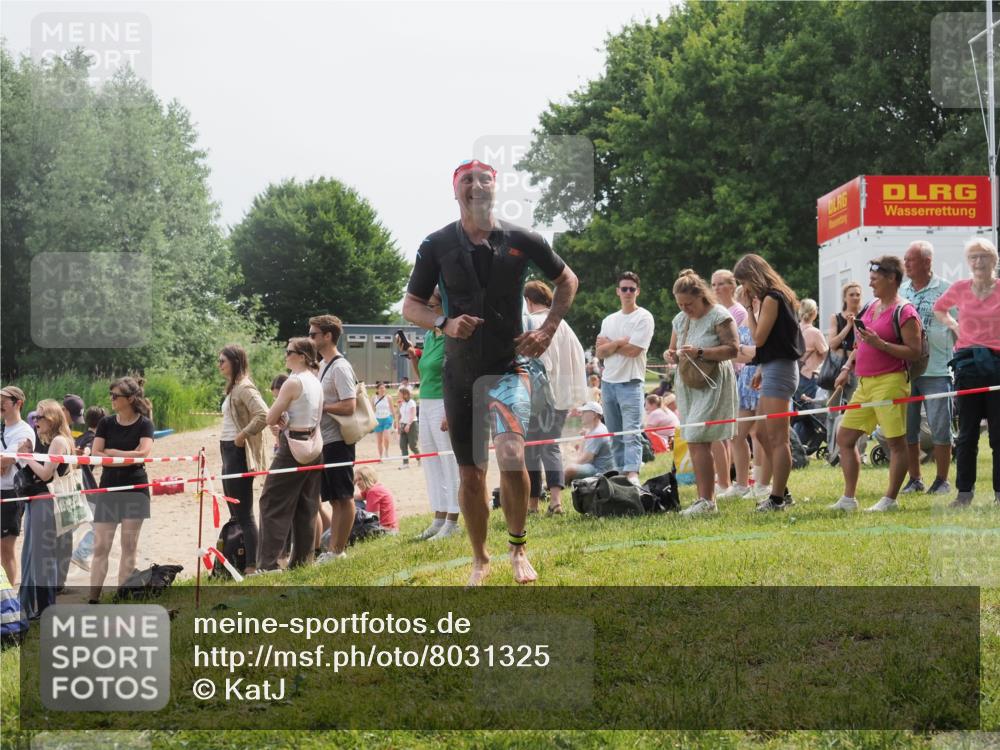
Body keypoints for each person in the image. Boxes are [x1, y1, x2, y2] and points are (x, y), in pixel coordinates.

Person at [402, 158, 578, 585]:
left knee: (513, 453)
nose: (476, 186)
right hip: (459, 373)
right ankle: (480, 558)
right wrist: (444, 323)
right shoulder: (437, 244)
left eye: (485, 179)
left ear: (495, 189)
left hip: (508, 367)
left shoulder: (521, 238)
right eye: (467, 180)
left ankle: (518, 548)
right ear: (456, 190)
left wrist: (548, 330)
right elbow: (411, 305)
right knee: (471, 472)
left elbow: (567, 280)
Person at [832, 256, 923, 511]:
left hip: (891, 382)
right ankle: (848, 499)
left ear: (892, 278)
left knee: (895, 442)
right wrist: (847, 367)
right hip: (864, 383)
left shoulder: (904, 311)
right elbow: (860, 342)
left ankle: (890, 500)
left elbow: (914, 351)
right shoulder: (871, 306)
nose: (870, 285)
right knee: (845, 437)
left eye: (874, 280)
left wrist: (881, 345)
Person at [665, 269, 739, 516]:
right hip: (688, 382)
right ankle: (704, 499)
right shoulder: (680, 319)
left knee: (698, 435)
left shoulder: (719, 315)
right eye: (680, 304)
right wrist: (671, 355)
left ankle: (707, 500)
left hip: (712, 381)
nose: (685, 308)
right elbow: (673, 350)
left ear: (701, 296)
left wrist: (700, 352)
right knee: (693, 438)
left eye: (689, 304)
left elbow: (732, 349)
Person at [734, 254, 805, 512]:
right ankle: (781, 489)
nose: (744, 288)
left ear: (752, 277)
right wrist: (762, 368)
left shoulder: (772, 298)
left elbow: (759, 338)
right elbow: (774, 341)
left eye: (743, 282)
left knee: (778, 438)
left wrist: (750, 310)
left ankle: (778, 498)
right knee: (761, 433)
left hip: (782, 371)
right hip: (773, 368)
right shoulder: (773, 298)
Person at [934, 237, 1000, 507]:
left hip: (997, 364)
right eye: (973, 257)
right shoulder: (960, 288)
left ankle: (999, 494)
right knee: (967, 433)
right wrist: (953, 324)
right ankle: (964, 493)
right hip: (968, 365)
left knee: (999, 435)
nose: (978, 261)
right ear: (967, 262)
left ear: (994, 259)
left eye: (983, 256)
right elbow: (939, 309)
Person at [255, 338, 324, 572]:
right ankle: (303, 561)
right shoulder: (315, 381)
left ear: (302, 356)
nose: (285, 355)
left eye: (289, 352)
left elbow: (270, 418)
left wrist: (281, 419)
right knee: (307, 505)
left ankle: (269, 563)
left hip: (292, 445)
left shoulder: (293, 382)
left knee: (271, 502)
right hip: (315, 444)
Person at [523, 279, 587, 515]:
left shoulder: (532, 322)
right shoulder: (563, 324)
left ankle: (532, 504)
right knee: (550, 446)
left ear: (528, 301)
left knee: (531, 449)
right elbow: (579, 356)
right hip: (560, 396)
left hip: (537, 396)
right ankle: (556, 501)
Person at [90, 377, 154, 602]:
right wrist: (128, 456)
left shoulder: (144, 423)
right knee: (100, 548)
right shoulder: (106, 423)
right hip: (108, 489)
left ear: (130, 399)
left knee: (128, 548)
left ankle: (122, 597)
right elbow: (95, 455)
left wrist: (113, 453)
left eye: (115, 396)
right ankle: (93, 599)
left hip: (135, 490)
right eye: (111, 395)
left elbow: (143, 454)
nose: (112, 399)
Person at [900, 240, 955, 496]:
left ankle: (942, 480)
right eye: (905, 259)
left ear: (926, 262)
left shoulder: (946, 290)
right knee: (908, 428)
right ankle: (915, 479)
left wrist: (959, 361)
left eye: (910, 259)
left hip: (938, 370)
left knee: (940, 427)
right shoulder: (902, 292)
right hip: (908, 371)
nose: (906, 264)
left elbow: (959, 328)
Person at [406, 290, 461, 540]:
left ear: (443, 307)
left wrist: (452, 409)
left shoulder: (452, 337)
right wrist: (412, 359)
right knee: (431, 462)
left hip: (443, 402)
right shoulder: (429, 336)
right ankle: (438, 518)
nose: (426, 312)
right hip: (425, 402)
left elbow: (456, 376)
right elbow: (424, 376)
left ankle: (453, 519)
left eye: (431, 306)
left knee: (449, 462)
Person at [17, 400, 75, 619]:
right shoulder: (49, 440)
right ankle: (33, 607)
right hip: (38, 502)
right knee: (32, 556)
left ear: (51, 419)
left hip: (47, 503)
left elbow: (45, 475)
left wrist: (27, 456)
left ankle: (45, 609)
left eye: (39, 417)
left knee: (42, 558)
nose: (35, 421)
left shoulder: (59, 441)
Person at [308, 315, 359, 563]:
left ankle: (339, 550)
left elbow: (350, 405)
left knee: (344, 496)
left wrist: (322, 408)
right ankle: (333, 550)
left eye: (313, 334)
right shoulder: (323, 365)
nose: (311, 338)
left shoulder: (340, 366)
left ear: (328, 336)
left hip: (339, 440)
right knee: (335, 499)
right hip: (325, 440)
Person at [596, 271, 655, 484]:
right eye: (624, 288)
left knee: (632, 432)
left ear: (637, 291)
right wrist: (620, 342)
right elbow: (600, 353)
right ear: (617, 292)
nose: (628, 292)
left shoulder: (644, 317)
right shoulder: (609, 320)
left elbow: (635, 351)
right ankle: (620, 472)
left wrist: (611, 345)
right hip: (608, 383)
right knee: (614, 433)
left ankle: (633, 473)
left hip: (631, 382)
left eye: (632, 289)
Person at [217, 344, 269, 576]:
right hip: (226, 449)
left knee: (244, 513)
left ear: (235, 362)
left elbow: (264, 414)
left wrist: (242, 435)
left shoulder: (245, 388)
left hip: (237, 451)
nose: (219, 365)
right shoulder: (233, 388)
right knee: (235, 512)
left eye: (222, 361)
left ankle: (251, 565)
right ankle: (239, 558)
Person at [710, 270, 749, 499]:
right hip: (721, 374)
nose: (716, 288)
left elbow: (739, 346)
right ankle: (725, 480)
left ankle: (738, 481)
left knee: (736, 432)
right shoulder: (716, 312)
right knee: (724, 431)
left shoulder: (738, 312)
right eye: (713, 284)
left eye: (721, 284)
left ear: (732, 286)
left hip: (736, 374)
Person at [0, 386, 34, 586]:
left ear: (18, 403)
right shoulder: (2, 428)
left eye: (4, 401)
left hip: (12, 492)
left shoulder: (25, 430)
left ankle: (7, 599)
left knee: (6, 548)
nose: (0, 405)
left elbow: (8, 461)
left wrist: (6, 461)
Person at [827, 281, 864, 457]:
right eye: (852, 294)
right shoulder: (837, 317)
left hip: (858, 368)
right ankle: (831, 453)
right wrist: (848, 326)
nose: (855, 297)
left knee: (856, 410)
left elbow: (864, 342)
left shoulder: (865, 315)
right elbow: (832, 344)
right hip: (837, 369)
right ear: (845, 297)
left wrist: (856, 324)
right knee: (833, 412)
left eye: (858, 294)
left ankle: (857, 451)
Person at [69, 405, 106, 572]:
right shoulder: (93, 439)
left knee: (70, 526)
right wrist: (85, 455)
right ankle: (82, 553)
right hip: (86, 487)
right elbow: (87, 452)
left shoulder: (80, 437)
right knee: (103, 524)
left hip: (73, 486)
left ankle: (58, 556)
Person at [564, 402, 615, 481]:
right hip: (594, 466)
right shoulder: (594, 429)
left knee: (569, 469)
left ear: (594, 414)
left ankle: (553, 486)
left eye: (584, 412)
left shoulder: (598, 432)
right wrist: (584, 438)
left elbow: (586, 459)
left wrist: (570, 465)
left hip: (599, 471)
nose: (581, 415)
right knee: (570, 465)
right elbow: (582, 455)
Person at [797, 298, 829, 401]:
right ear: (814, 312)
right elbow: (827, 356)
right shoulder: (815, 333)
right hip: (809, 376)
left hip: (795, 374)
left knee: (798, 410)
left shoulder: (795, 330)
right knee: (810, 410)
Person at [354, 465, 398, 532]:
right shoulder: (374, 487)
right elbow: (354, 497)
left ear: (368, 478)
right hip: (391, 528)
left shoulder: (373, 492)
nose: (357, 483)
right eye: (356, 480)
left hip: (387, 530)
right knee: (354, 502)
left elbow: (373, 520)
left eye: (360, 479)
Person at [396, 386, 419, 467]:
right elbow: (399, 415)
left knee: (412, 445)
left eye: (400, 394)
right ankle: (405, 463)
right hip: (403, 424)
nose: (398, 396)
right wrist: (398, 426)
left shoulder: (412, 402)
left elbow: (413, 414)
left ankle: (419, 458)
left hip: (412, 424)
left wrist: (408, 425)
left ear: (405, 394)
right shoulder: (401, 403)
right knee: (402, 445)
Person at [372, 382, 394, 460]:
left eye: (384, 387)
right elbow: (372, 410)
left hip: (387, 418)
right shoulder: (374, 398)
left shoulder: (388, 397)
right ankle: (380, 457)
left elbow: (392, 409)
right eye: (381, 388)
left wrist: (394, 421)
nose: (383, 389)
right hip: (377, 420)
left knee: (386, 438)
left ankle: (387, 452)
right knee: (379, 440)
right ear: (377, 389)